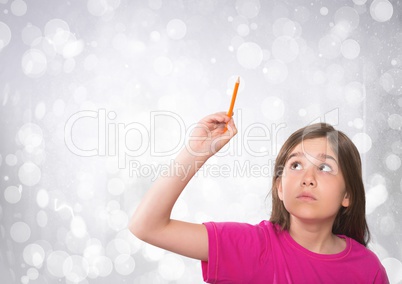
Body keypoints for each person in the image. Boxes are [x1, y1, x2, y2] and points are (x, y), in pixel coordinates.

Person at [129, 112, 389, 283]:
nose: (307, 178)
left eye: (324, 168)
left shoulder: (368, 269)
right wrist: (195, 153)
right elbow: (147, 226)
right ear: (279, 187)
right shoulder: (251, 246)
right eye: (296, 165)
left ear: (348, 195)